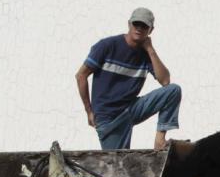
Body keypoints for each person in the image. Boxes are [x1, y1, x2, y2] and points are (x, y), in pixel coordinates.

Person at [75, 8, 182, 150]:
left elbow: (165, 81)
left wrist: (150, 49)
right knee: (119, 166)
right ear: (129, 24)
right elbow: (81, 75)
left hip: (131, 108)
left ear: (151, 30)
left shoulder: (146, 54)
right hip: (109, 117)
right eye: (136, 24)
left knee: (173, 90)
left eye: (144, 26)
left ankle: (159, 141)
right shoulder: (107, 46)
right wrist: (89, 111)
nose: (139, 28)